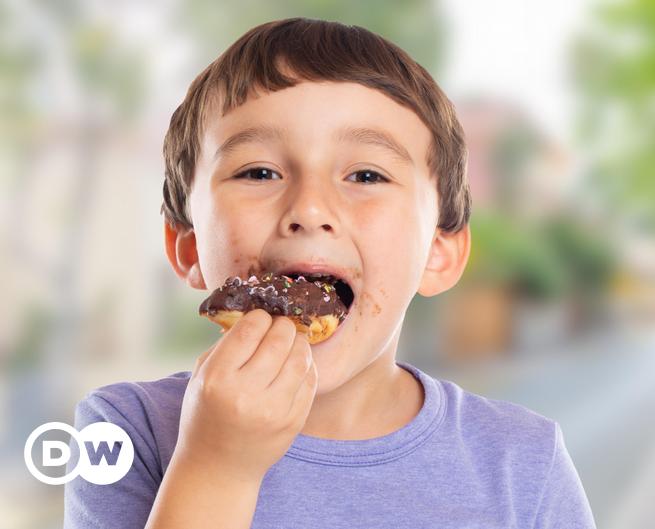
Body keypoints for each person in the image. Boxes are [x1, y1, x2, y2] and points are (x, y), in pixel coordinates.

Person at [64, 17, 596, 529]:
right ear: (187, 247)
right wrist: (218, 466)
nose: (310, 208)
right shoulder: (122, 431)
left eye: (366, 174)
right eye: (259, 171)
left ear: (439, 252)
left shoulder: (524, 461)